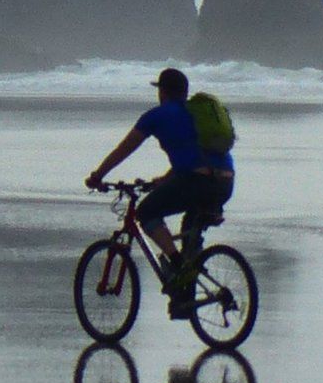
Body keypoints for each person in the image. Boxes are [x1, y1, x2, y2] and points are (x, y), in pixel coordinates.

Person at [84, 67, 234, 318]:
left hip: (196, 182)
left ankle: (177, 266)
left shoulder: (157, 116)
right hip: (225, 184)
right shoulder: (196, 116)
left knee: (146, 212)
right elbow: (192, 158)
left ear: (162, 92)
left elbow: (125, 148)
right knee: (191, 228)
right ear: (184, 93)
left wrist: (98, 176)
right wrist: (163, 181)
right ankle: (185, 296)